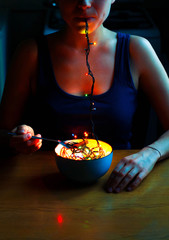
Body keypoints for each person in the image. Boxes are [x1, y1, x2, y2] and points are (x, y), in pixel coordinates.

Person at [0, 0, 169, 193]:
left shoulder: (136, 50)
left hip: (120, 189)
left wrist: (150, 154)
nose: (84, 3)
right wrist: (16, 137)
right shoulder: (31, 53)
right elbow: (3, 133)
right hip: (46, 191)